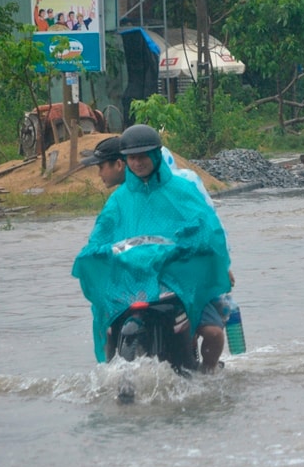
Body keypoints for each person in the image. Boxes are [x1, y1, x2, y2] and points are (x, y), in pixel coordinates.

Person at [72, 124, 232, 371]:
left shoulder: (182, 190)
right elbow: (102, 231)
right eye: (132, 158)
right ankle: (109, 376)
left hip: (177, 277)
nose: (138, 163)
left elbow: (206, 226)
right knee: (108, 322)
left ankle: (209, 372)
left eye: (143, 156)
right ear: (125, 160)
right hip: (133, 281)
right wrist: (93, 252)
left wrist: (190, 245)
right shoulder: (119, 198)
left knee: (211, 332)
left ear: (156, 155)